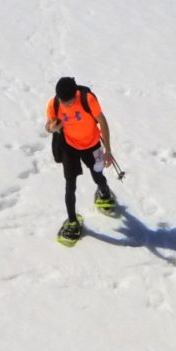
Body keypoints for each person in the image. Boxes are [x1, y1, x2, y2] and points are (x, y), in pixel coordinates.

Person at [44, 77, 119, 243]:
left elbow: (102, 122)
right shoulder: (54, 104)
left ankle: (105, 193)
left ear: (75, 94)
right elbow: (48, 125)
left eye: (69, 101)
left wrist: (107, 150)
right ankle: (72, 221)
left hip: (92, 145)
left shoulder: (87, 99)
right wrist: (52, 128)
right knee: (70, 184)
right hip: (69, 147)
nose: (66, 105)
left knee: (97, 174)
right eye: (63, 101)